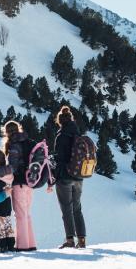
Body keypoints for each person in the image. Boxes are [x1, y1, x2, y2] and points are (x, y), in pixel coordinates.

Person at [49, 106, 87, 249]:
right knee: (77, 207)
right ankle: (82, 240)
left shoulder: (62, 135)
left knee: (66, 208)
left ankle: (70, 240)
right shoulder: (77, 134)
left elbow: (60, 157)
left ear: (59, 121)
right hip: (78, 175)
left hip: (65, 176)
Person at [2, 121, 37, 251]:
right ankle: (30, 244)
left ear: (7, 132)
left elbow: (13, 167)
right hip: (30, 182)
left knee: (20, 215)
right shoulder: (29, 142)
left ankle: (22, 246)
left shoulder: (14, 146)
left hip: (19, 183)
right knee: (26, 214)